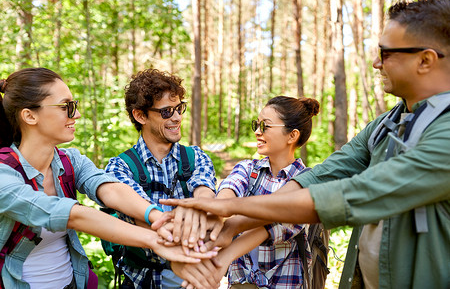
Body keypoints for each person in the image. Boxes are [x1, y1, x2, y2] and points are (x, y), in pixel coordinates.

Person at [160, 0, 450, 289]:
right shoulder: (387, 123)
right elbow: (323, 175)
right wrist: (232, 223)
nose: (376, 63)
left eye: (385, 53)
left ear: (425, 60)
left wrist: (232, 209)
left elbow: (357, 193)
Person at [0, 67, 216, 289]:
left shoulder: (70, 161)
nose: (76, 115)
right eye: (67, 107)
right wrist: (154, 239)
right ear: (29, 115)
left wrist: (155, 216)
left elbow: (109, 189)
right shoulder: (3, 175)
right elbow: (71, 215)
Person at [169, 96, 320, 289]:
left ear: (292, 135)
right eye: (256, 125)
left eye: (265, 126)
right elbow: (228, 190)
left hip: (283, 282)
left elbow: (279, 223)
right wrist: (217, 214)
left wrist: (227, 244)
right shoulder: (248, 169)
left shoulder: (306, 181)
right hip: (242, 282)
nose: (257, 132)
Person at [105, 69, 217, 289]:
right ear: (140, 116)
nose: (177, 117)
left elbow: (206, 198)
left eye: (179, 108)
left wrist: (202, 206)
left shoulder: (197, 157)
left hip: (193, 280)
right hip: (141, 281)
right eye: (166, 112)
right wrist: (191, 218)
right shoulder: (119, 167)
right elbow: (142, 217)